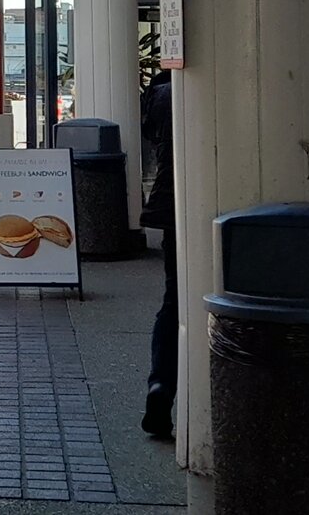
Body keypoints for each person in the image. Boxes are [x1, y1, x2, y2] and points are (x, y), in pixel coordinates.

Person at [140, 68, 177, 439]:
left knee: (174, 304)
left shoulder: (159, 96)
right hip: (228, 206)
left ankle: (160, 386)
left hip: (172, 209)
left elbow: (150, 137)